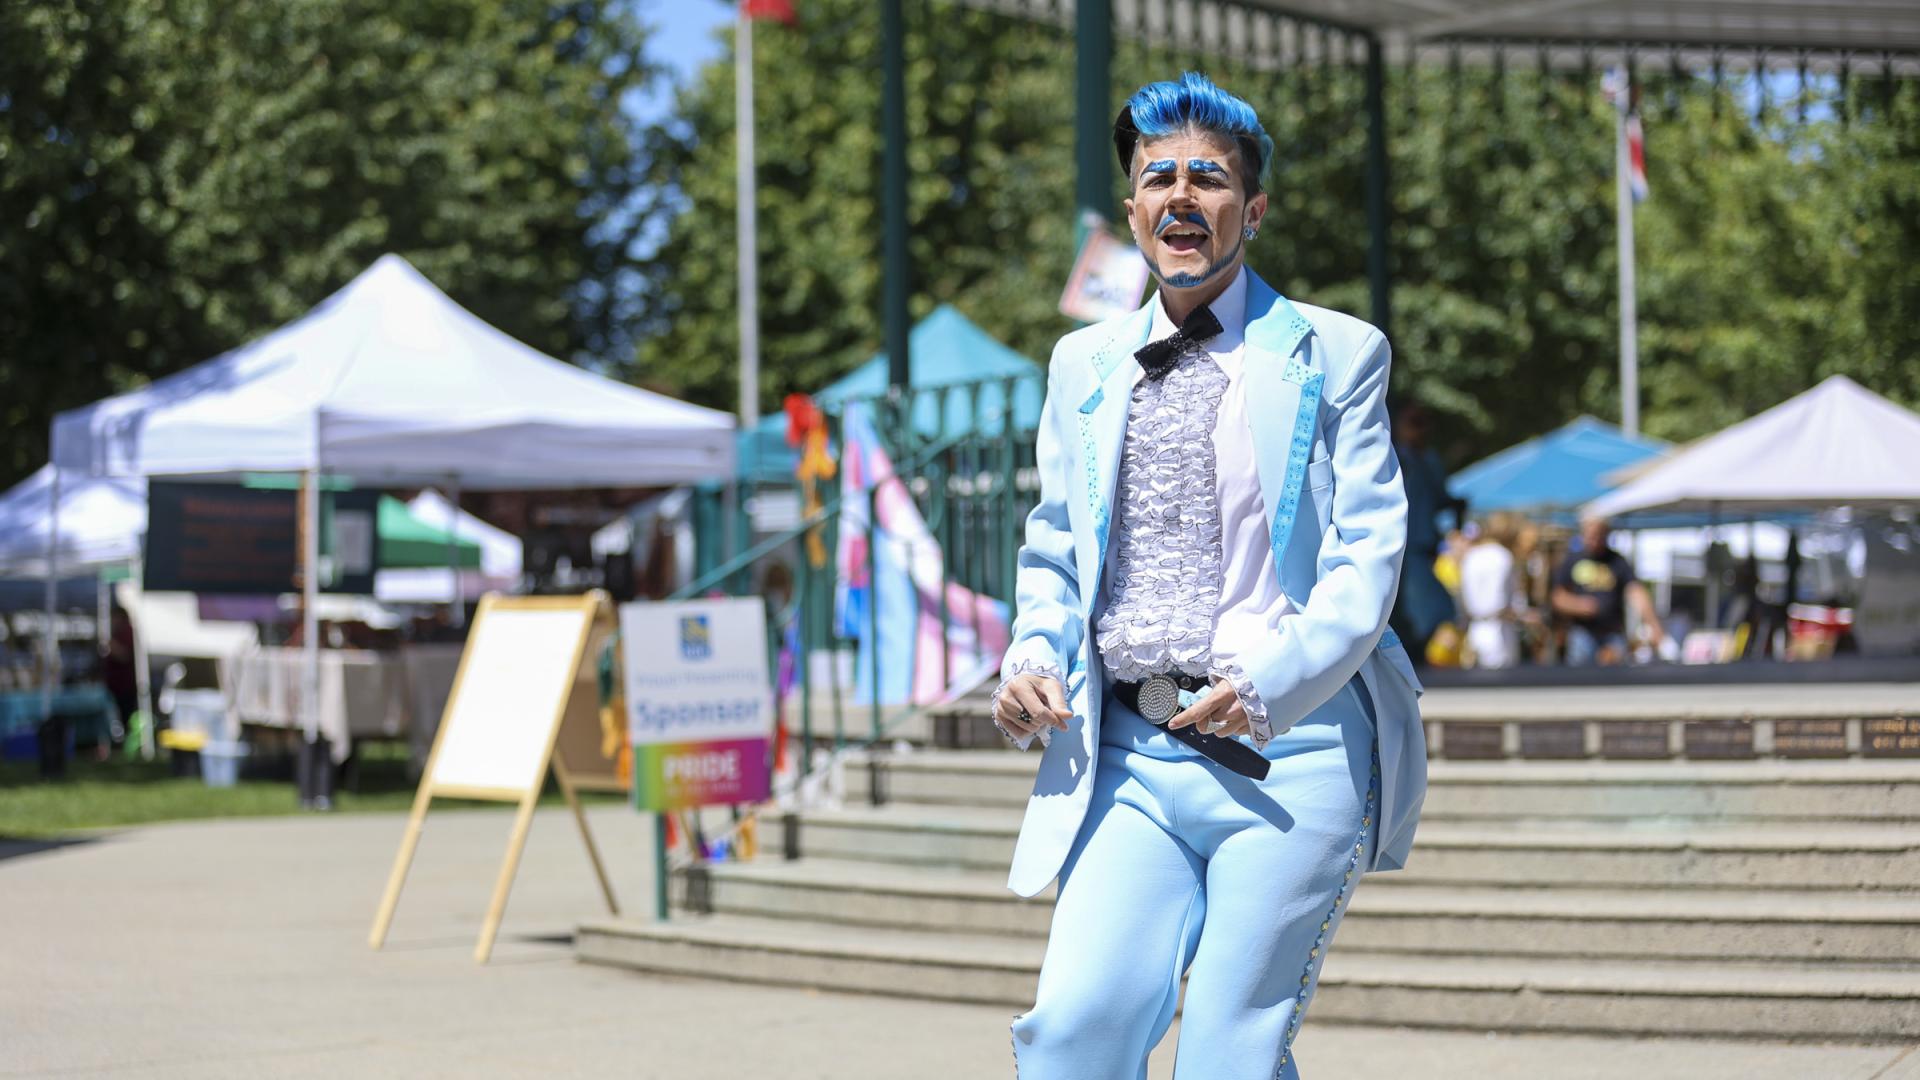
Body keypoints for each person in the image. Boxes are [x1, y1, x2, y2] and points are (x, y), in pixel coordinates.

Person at [990, 72, 1426, 1080]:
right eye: (1158, 178)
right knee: (1075, 1031)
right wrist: (1031, 657)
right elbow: (1056, 548)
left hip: (1296, 755)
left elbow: (1367, 561)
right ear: (1135, 208)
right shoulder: (1081, 363)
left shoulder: (1338, 352)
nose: (1182, 195)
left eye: (1209, 178)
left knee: (1228, 1056)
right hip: (1130, 761)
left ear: (1253, 208)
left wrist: (1273, 682)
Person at [1388, 402, 1456, 662]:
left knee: (1427, 605)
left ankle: (1414, 649)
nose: (1420, 431)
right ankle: (1410, 651)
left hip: (1423, 543)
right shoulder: (1394, 457)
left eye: (1423, 424)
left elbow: (1440, 497)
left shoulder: (1430, 460)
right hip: (1402, 544)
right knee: (1423, 605)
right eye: (1413, 424)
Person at [1550, 515, 1668, 665]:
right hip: (1582, 634)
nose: (1594, 541)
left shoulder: (1617, 561)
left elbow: (1636, 592)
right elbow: (1558, 597)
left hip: (1612, 634)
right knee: (1579, 680)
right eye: (1591, 536)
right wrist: (1579, 606)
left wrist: (1654, 626)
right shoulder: (1572, 560)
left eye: (1599, 536)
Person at [1459, 513, 1526, 669]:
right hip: (1498, 631)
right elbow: (1500, 601)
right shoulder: (1503, 556)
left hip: (1475, 628)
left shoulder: (1472, 555)